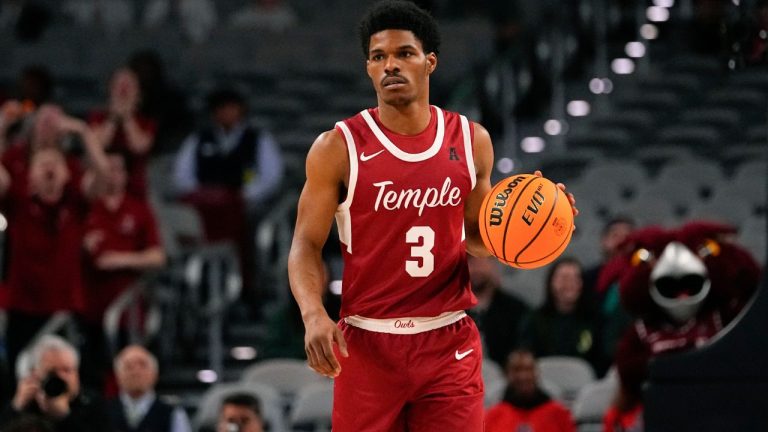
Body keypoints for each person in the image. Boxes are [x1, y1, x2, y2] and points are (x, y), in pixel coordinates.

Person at [287, 1, 577, 431]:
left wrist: (536, 224)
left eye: (404, 53)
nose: (390, 65)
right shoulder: (338, 147)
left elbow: (479, 240)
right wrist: (313, 313)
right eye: (378, 56)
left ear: (430, 62)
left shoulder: (471, 140)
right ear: (368, 68)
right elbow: (305, 243)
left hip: (448, 340)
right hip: (368, 340)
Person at [0, 105, 109, 389]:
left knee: (72, 380)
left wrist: (83, 131)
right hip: (23, 303)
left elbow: (103, 176)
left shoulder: (75, 201)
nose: (49, 168)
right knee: (20, 378)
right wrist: (2, 127)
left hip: (66, 303)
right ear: (29, 175)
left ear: (67, 173)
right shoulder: (18, 201)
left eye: (55, 164)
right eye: (41, 164)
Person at [173, 88, 284, 299]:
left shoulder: (257, 139)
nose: (226, 113)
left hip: (244, 204)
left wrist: (245, 195)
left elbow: (271, 176)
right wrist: (203, 195)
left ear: (240, 110)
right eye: (220, 109)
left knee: (250, 226)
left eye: (230, 108)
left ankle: (247, 282)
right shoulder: (199, 139)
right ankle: (194, 281)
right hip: (205, 205)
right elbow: (182, 176)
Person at [80, 150, 166, 389]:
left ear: (126, 175)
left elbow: (158, 256)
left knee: (128, 372)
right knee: (93, 375)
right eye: (106, 169)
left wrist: (119, 259)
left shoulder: (138, 209)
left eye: (117, 169)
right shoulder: (85, 208)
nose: (111, 175)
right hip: (89, 306)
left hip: (129, 309)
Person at [0, 335, 112, 431]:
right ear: (34, 375)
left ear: (77, 374)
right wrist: (16, 407)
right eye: (52, 372)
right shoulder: (26, 405)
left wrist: (64, 416)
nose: (61, 377)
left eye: (67, 370)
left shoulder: (93, 404)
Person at [88, 67, 157, 199]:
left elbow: (139, 147)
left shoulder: (146, 122)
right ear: (110, 90)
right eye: (118, 86)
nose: (123, 91)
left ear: (138, 93)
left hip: (134, 190)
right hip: (101, 187)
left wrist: (127, 118)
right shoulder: (97, 118)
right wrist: (113, 118)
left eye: (129, 87)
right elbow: (97, 145)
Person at [518, 257, 598, 369]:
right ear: (551, 282)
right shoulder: (534, 320)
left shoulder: (594, 319)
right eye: (564, 278)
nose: (570, 284)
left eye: (576, 278)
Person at [485, 349, 576, 432]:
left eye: (528, 369)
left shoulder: (558, 414)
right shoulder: (493, 416)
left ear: (537, 373)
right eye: (517, 370)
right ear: (507, 374)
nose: (523, 376)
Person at [109, 345, 191, 432]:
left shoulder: (173, 413)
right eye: (128, 367)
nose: (136, 372)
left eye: (142, 365)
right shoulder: (102, 412)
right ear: (117, 375)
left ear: (155, 373)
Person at [466, 255, 529, 368]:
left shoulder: (515, 309)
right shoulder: (449, 309)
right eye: (471, 263)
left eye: (482, 263)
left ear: (493, 266)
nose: (476, 269)